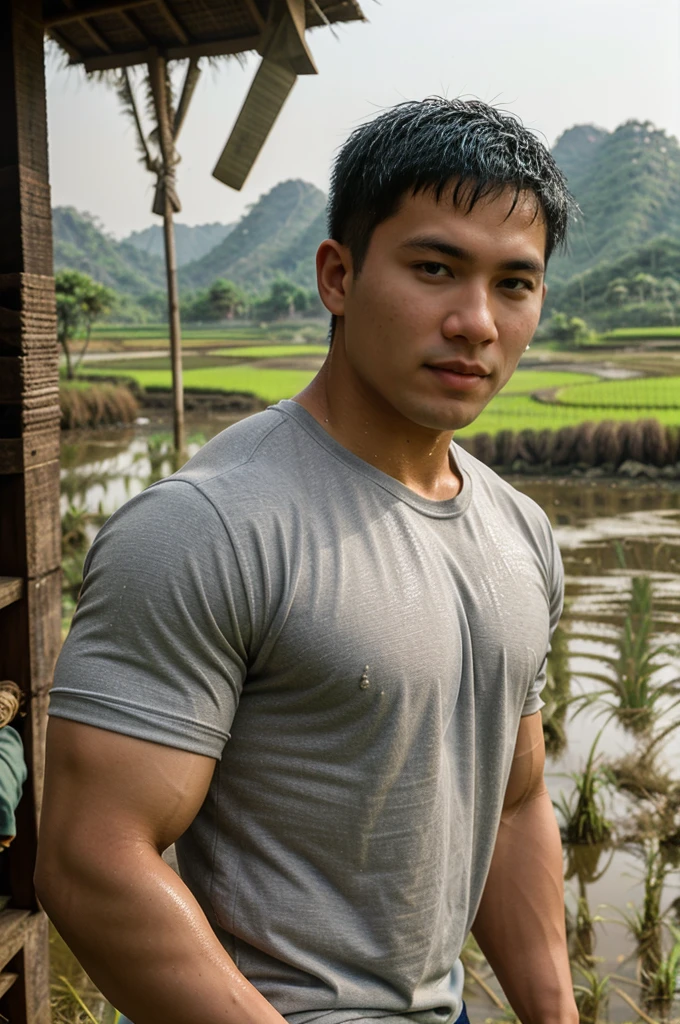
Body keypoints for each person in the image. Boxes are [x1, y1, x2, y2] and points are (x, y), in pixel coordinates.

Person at [36, 98, 579, 1024]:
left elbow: (517, 801)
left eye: (514, 284)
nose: (475, 322)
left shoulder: (519, 531)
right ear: (338, 274)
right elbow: (93, 860)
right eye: (435, 268)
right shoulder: (211, 525)